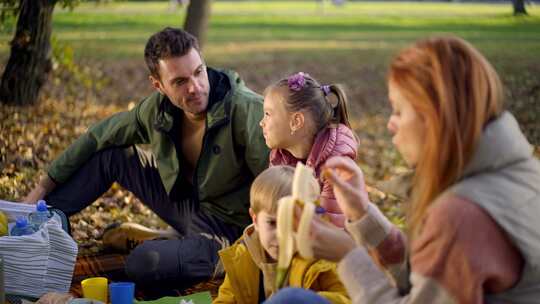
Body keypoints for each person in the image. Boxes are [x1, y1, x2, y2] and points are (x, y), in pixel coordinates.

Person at [270, 35, 540, 303]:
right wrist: (362, 213)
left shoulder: (462, 214)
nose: (390, 125)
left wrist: (347, 256)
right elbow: (427, 273)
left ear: (433, 117)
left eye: (398, 111)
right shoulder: (519, 173)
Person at [22, 27, 270, 290]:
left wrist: (258, 249)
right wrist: (41, 189)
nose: (195, 87)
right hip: (187, 206)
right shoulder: (156, 111)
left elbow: (276, 185)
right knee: (113, 155)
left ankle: (170, 242)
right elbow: (98, 136)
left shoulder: (245, 110)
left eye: (199, 72)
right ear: (158, 85)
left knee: (141, 263)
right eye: (179, 81)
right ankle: (34, 228)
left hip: (229, 230)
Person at [214, 165, 350, 304]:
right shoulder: (242, 256)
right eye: (272, 223)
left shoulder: (319, 259)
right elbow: (225, 299)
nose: (281, 235)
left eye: (291, 225)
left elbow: (346, 298)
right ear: (255, 220)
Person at [260, 72, 358, 227]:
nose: (261, 122)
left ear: (296, 121)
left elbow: (332, 228)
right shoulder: (281, 156)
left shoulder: (336, 167)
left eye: (267, 114)